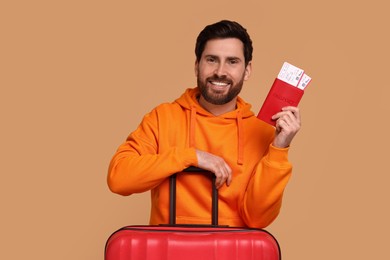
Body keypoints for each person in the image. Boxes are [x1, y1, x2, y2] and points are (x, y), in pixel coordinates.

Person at [107, 20, 301, 228]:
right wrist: (191, 156)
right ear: (197, 65)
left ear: (247, 71)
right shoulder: (162, 118)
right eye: (211, 59)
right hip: (169, 251)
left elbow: (257, 219)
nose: (220, 71)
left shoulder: (262, 132)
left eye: (232, 61)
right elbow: (119, 179)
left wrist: (279, 149)